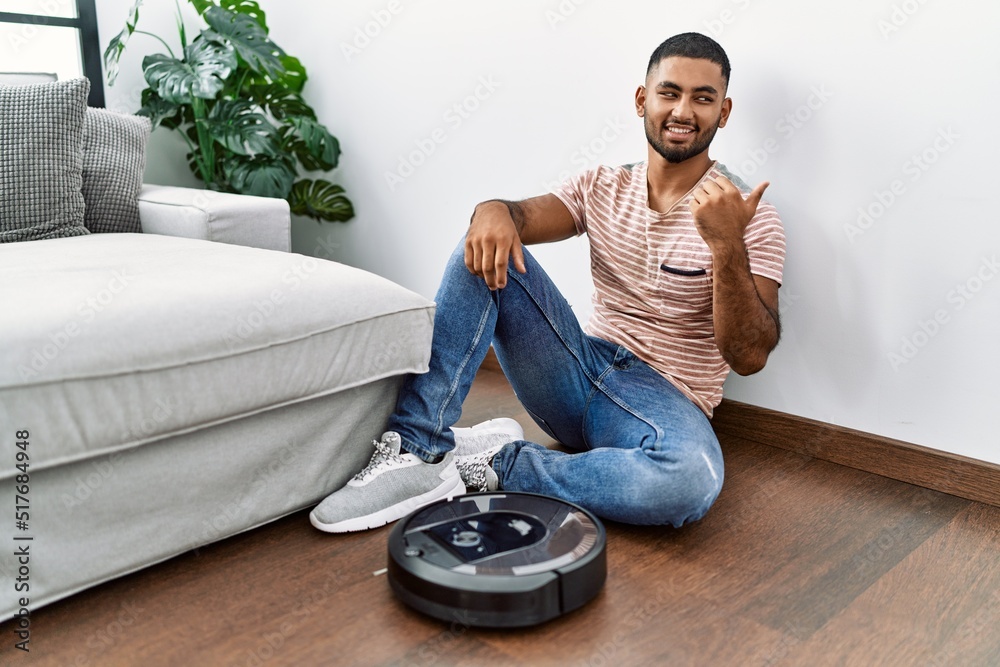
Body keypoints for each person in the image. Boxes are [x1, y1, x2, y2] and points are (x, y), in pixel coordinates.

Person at [310, 32, 785, 533]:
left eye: (703, 98)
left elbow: (748, 357)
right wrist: (491, 209)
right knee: (483, 243)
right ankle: (417, 449)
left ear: (724, 111)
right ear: (643, 99)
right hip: (576, 373)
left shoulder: (751, 217)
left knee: (687, 482)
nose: (683, 111)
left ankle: (497, 466)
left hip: (662, 402)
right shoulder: (601, 185)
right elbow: (516, 216)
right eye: (670, 92)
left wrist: (727, 244)